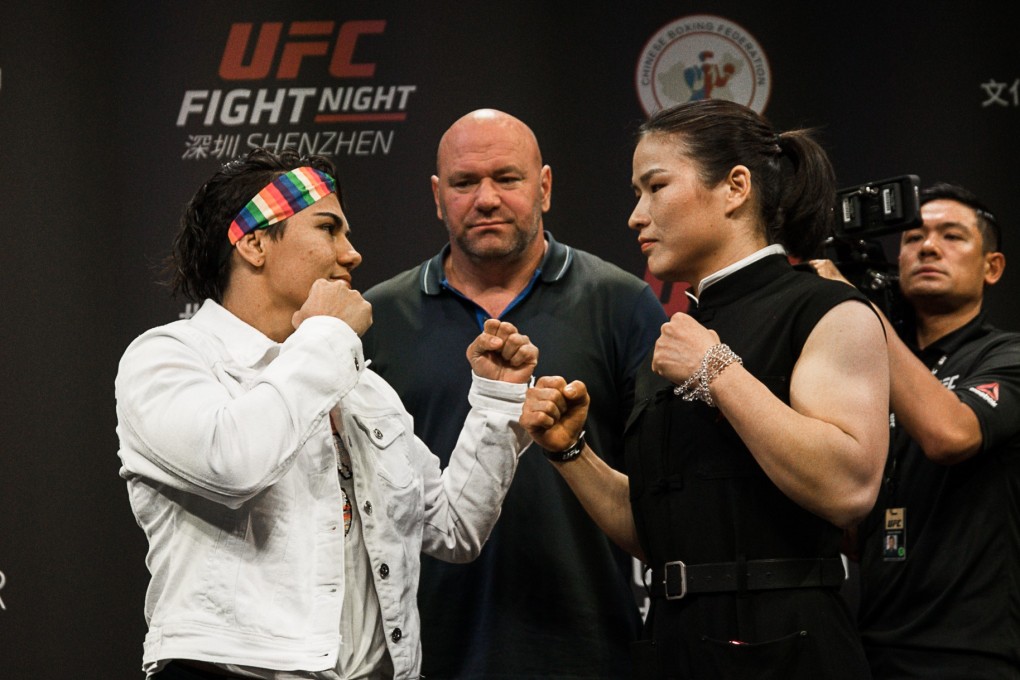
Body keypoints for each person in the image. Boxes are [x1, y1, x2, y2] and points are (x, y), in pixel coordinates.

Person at [114, 147, 540, 679]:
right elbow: (233, 464)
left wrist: (496, 402)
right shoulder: (168, 358)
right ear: (253, 243)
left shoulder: (360, 387)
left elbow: (453, 528)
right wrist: (327, 334)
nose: (352, 254)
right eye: (328, 229)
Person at [519, 98, 890, 679]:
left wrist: (717, 372)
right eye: (636, 193)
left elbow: (849, 487)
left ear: (735, 187)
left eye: (656, 187)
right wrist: (571, 452)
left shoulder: (827, 310)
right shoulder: (678, 338)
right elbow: (660, 535)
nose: (635, 216)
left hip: (787, 652)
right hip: (675, 646)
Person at [360, 109, 667, 678]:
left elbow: (665, 493)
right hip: (425, 653)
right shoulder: (378, 318)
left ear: (544, 187)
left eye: (506, 178)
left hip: (589, 648)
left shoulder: (622, 305)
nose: (486, 199)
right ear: (437, 196)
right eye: (464, 182)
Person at [810, 182, 1020, 678]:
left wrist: (856, 310)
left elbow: (950, 434)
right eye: (913, 237)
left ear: (992, 267)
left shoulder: (1006, 355)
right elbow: (855, 526)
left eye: (952, 236)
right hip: (869, 647)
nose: (928, 247)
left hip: (969, 655)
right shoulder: (878, 367)